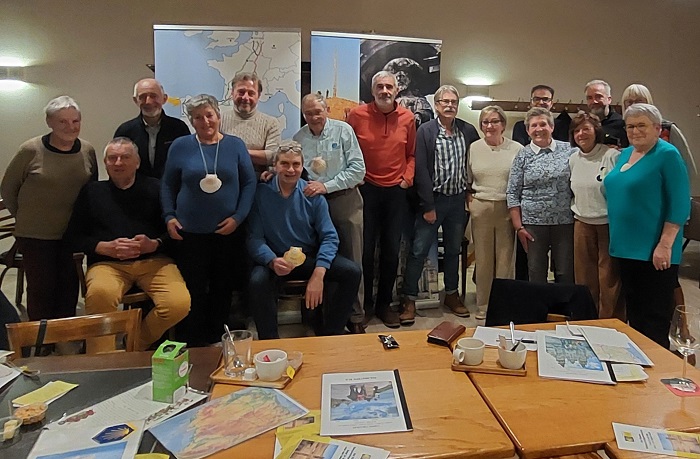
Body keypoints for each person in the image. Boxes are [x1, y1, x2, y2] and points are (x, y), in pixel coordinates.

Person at [65, 138, 190, 353]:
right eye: (112, 158)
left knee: (178, 303)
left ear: (137, 162)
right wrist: (102, 247)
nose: (118, 162)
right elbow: (73, 236)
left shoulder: (157, 188)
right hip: (107, 265)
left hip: (154, 262)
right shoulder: (92, 192)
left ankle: (133, 344)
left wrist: (155, 244)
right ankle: (101, 360)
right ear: (105, 163)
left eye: (125, 157)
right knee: (100, 295)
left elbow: (176, 231)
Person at [161, 94, 256, 346]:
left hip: (228, 231)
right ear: (192, 121)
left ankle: (216, 338)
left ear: (218, 116)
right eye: (198, 118)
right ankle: (192, 340)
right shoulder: (180, 146)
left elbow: (249, 183)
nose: (205, 122)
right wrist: (169, 216)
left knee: (222, 287)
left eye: (209, 115)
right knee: (192, 287)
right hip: (189, 232)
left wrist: (238, 217)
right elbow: (167, 184)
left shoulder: (235, 145)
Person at [247, 142, 361, 339]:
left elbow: (329, 236)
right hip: (275, 258)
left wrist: (319, 272)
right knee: (257, 280)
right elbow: (254, 238)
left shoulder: (312, 195)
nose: (290, 170)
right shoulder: (261, 194)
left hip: (308, 256)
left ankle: (331, 332)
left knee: (352, 272)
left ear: (302, 166)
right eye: (284, 164)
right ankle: (269, 340)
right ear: (275, 166)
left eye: (296, 164)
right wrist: (271, 261)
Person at [1, 96, 98, 321]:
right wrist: (24, 216)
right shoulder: (30, 150)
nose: (70, 127)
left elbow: (91, 190)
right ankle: (41, 337)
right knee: (41, 291)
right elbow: (8, 189)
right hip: (36, 235)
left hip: (71, 234)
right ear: (49, 122)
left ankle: (64, 336)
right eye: (62, 121)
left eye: (75, 121)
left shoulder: (87, 150)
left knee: (68, 290)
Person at [605, 103, 690, 348]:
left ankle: (657, 366)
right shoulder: (625, 154)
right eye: (630, 126)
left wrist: (665, 245)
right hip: (625, 248)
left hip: (654, 251)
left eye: (641, 125)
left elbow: (680, 204)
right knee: (635, 315)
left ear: (657, 128)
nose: (635, 131)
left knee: (654, 320)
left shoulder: (667, 154)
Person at [402, 85, 479, 323]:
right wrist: (427, 206)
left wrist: (470, 192)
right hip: (433, 200)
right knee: (419, 251)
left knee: (454, 251)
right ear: (436, 105)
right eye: (444, 101)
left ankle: (452, 295)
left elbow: (476, 161)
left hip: (457, 202)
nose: (449, 105)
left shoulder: (467, 130)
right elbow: (421, 170)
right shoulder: (425, 131)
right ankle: (409, 299)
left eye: (453, 102)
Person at [347, 71, 416, 328]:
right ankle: (364, 306)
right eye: (380, 86)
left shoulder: (408, 118)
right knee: (364, 251)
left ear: (397, 90)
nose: (384, 91)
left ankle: (384, 305)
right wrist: (355, 177)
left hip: (396, 192)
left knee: (390, 251)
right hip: (366, 190)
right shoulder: (357, 115)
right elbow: (347, 149)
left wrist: (407, 178)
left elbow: (412, 154)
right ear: (372, 90)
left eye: (389, 86)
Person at [293, 93, 367, 334]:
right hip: (312, 205)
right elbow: (294, 169)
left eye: (318, 111)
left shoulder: (343, 131)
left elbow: (358, 170)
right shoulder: (299, 138)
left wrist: (326, 186)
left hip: (344, 201)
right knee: (319, 261)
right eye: (308, 113)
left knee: (352, 260)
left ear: (326, 110)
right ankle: (321, 318)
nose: (314, 117)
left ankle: (355, 317)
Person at [506, 107, 574, 284]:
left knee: (565, 271)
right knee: (536, 272)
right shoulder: (522, 155)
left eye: (543, 124)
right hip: (533, 224)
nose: (539, 129)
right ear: (527, 130)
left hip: (564, 222)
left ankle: (563, 303)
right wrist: (519, 227)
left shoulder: (569, 150)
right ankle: (539, 303)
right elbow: (512, 192)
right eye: (533, 125)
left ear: (552, 127)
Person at [568, 112, 623, 320]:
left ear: (596, 131)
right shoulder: (573, 159)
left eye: (586, 129)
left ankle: (609, 322)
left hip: (607, 224)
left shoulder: (611, 156)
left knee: (608, 279)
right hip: (582, 223)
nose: (581, 134)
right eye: (577, 130)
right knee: (584, 277)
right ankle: (586, 320)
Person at [468, 105, 521, 320]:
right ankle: (483, 305)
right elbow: (467, 178)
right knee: (483, 260)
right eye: (485, 122)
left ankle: (503, 306)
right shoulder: (473, 148)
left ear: (503, 124)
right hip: (481, 208)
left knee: (505, 261)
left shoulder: (516, 148)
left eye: (494, 121)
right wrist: (470, 200)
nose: (490, 126)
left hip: (507, 208)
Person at [620, 83, 697, 191]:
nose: (634, 106)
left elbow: (687, 165)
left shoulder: (667, 129)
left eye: (639, 101)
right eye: (629, 102)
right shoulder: (620, 130)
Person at [114, 78, 191, 179]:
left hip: (172, 187)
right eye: (142, 97)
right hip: (137, 188)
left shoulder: (179, 128)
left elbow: (188, 163)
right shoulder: (125, 131)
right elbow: (116, 166)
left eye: (153, 96)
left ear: (164, 99)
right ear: (135, 100)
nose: (148, 101)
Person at [220, 72, 281, 176]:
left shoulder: (271, 123)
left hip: (258, 180)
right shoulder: (219, 120)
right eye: (241, 92)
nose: (245, 97)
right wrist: (258, 155)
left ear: (258, 96)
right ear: (232, 93)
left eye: (251, 93)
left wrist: (236, 151)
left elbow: (272, 156)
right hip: (224, 178)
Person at [383, 57, 434, 127]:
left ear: (410, 79)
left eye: (402, 76)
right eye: (396, 78)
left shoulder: (419, 101)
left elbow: (427, 113)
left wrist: (419, 115)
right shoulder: (392, 101)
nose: (399, 79)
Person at [584, 80, 628, 148]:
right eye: (590, 98)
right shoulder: (582, 124)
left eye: (598, 97)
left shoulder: (622, 123)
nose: (594, 101)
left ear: (609, 99)